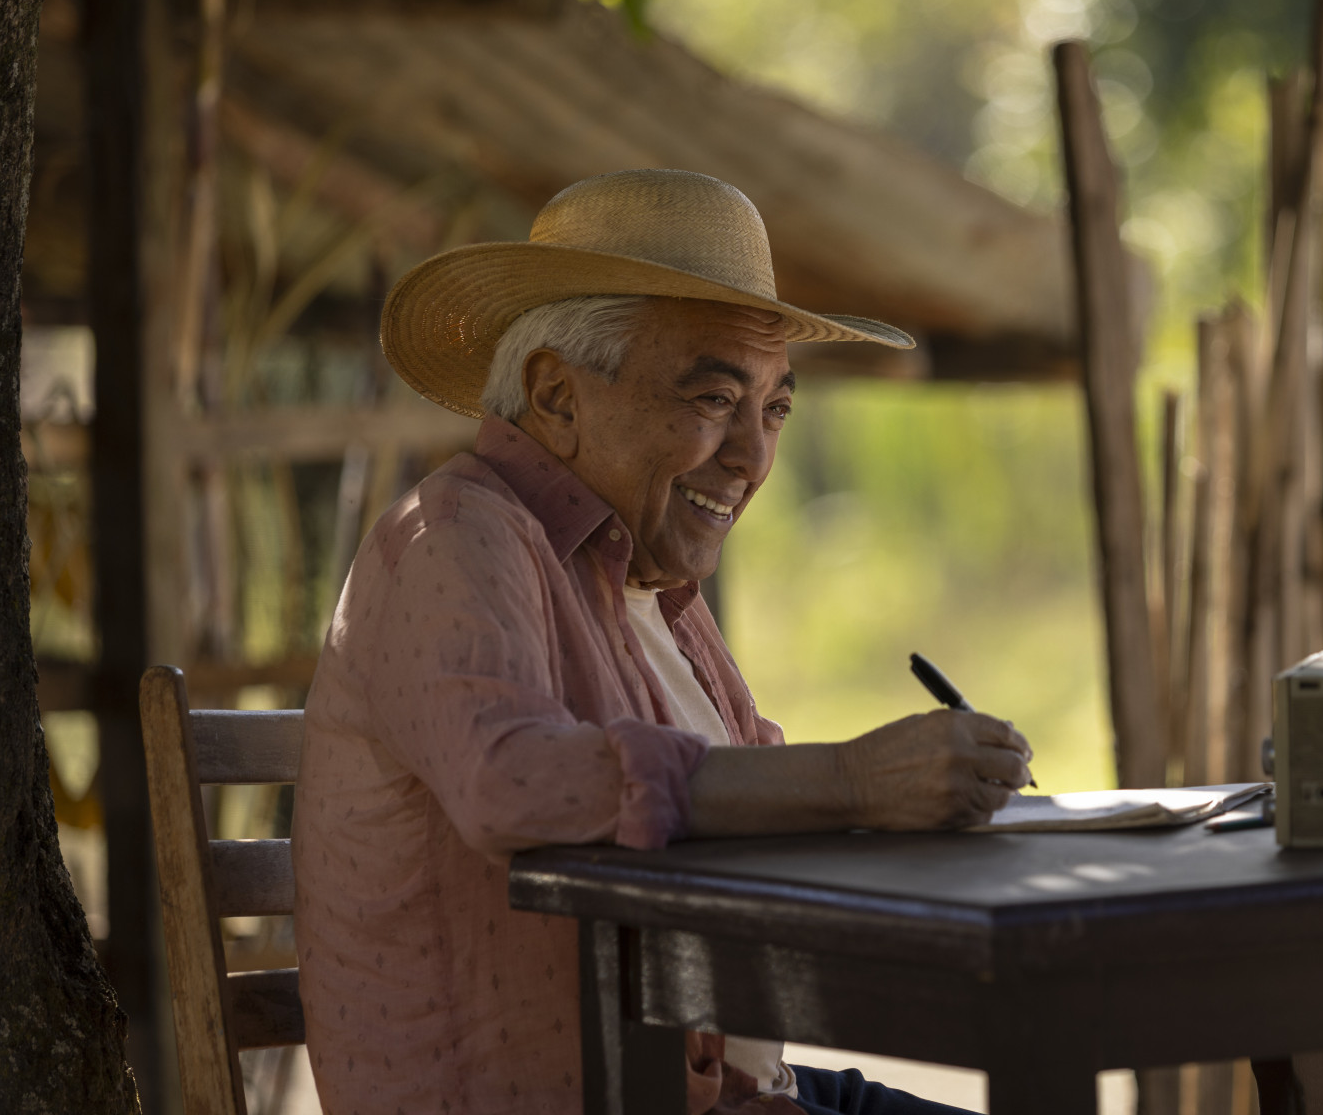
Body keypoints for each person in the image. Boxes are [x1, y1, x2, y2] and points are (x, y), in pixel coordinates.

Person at [292, 169, 1033, 1115]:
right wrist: (849, 781)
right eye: (716, 399)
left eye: (774, 409)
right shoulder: (454, 534)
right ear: (556, 395)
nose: (754, 459)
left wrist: (917, 793)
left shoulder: (652, 585)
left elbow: (750, 806)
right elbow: (507, 780)